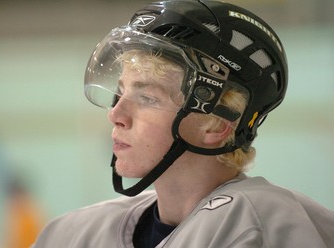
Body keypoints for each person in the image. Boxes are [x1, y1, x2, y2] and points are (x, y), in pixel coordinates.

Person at [33, 0, 334, 247]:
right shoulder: (73, 234)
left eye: (148, 98)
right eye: (121, 92)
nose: (116, 114)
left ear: (216, 124)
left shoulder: (259, 226)